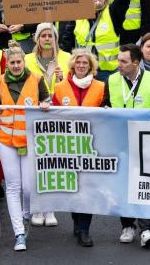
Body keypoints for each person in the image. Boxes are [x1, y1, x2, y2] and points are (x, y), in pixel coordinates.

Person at [0, 45, 50, 252]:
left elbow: (47, 102)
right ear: (7, 65)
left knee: (29, 187)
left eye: (18, 62)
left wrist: (45, 106)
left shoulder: (38, 80)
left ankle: (26, 214)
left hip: (30, 140)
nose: (15, 66)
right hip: (5, 139)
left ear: (24, 62)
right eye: (11, 63)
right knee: (13, 186)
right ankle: (19, 233)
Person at [108, 44, 150, 248]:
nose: (118, 65)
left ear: (136, 64)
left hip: (147, 141)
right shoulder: (112, 80)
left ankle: (146, 228)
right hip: (121, 142)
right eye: (118, 60)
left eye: (123, 61)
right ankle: (127, 226)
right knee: (124, 186)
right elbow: (105, 104)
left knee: (146, 184)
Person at [52, 48, 106, 247]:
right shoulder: (59, 87)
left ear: (91, 66)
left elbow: (107, 109)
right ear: (73, 64)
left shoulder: (101, 87)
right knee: (74, 188)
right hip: (68, 145)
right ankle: (77, 219)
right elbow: (52, 116)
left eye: (85, 63)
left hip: (92, 146)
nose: (82, 66)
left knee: (88, 189)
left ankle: (84, 229)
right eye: (79, 62)